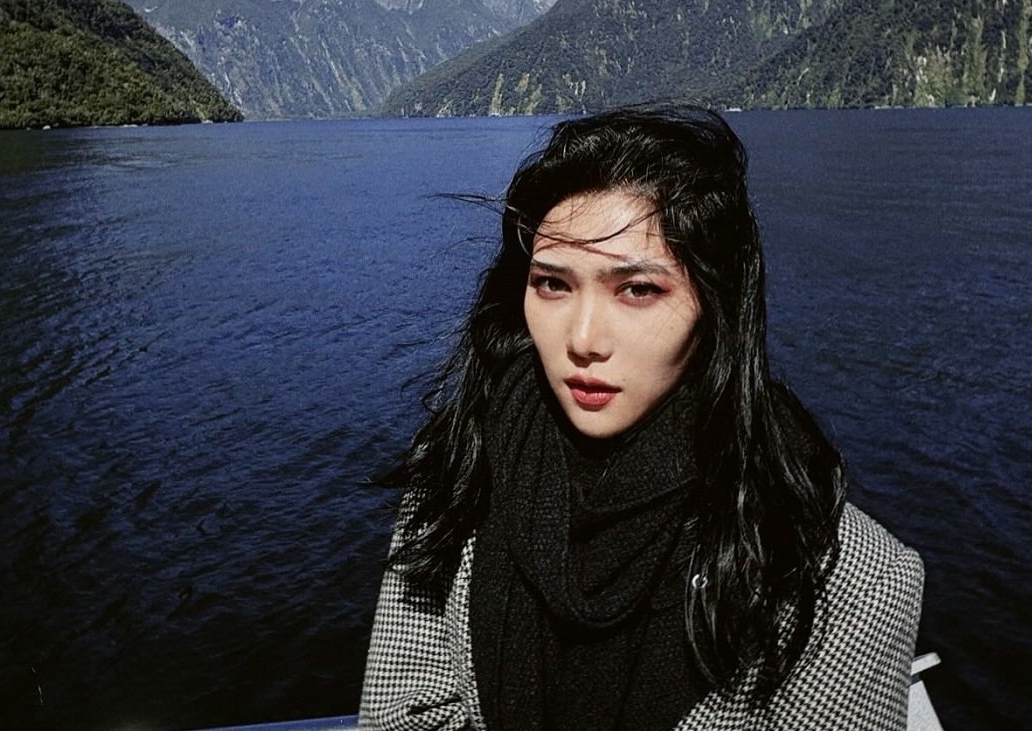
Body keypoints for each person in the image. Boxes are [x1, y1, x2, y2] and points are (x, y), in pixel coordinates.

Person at [360, 105, 923, 730]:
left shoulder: (845, 580)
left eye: (638, 289)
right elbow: (402, 716)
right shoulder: (455, 480)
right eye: (552, 284)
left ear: (715, 305)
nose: (583, 339)